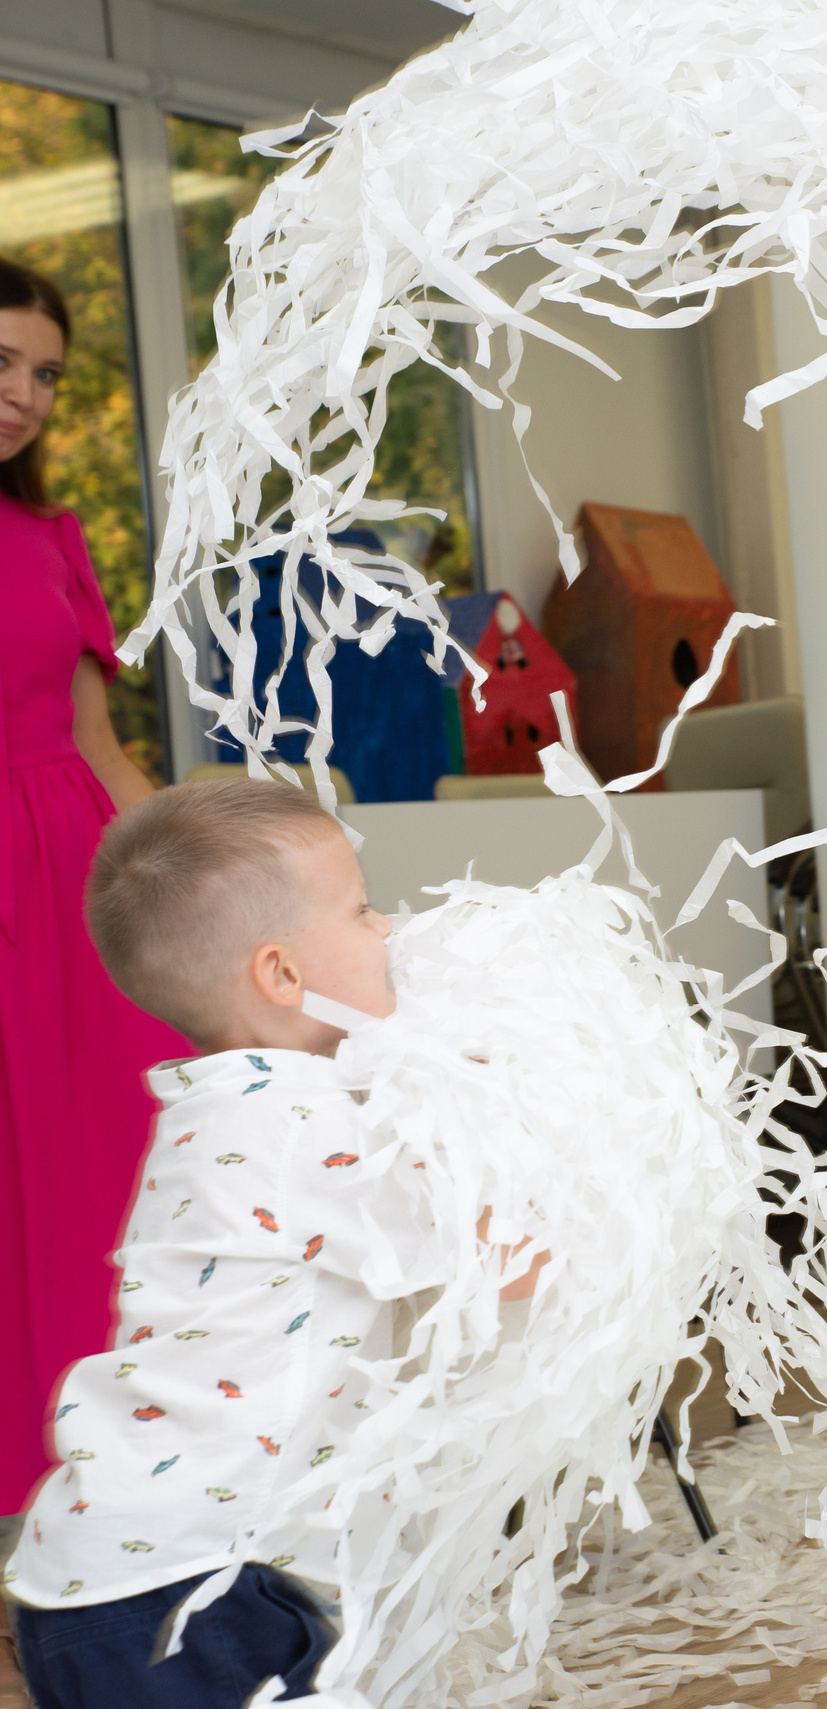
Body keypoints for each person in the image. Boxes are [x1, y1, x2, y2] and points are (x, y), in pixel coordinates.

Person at [0, 778, 478, 1706]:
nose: (389, 930)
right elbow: (488, 1260)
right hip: (174, 1594)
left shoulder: (230, 1104)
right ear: (282, 975)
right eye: (362, 909)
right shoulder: (298, 1121)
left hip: (132, 1573)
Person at [0, 256, 190, 1527]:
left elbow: (105, 747)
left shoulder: (54, 539)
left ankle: (107, 1514)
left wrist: (207, 878)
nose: (27, 394)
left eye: (48, 374)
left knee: (104, 1184)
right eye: (4, 362)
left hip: (70, 892)